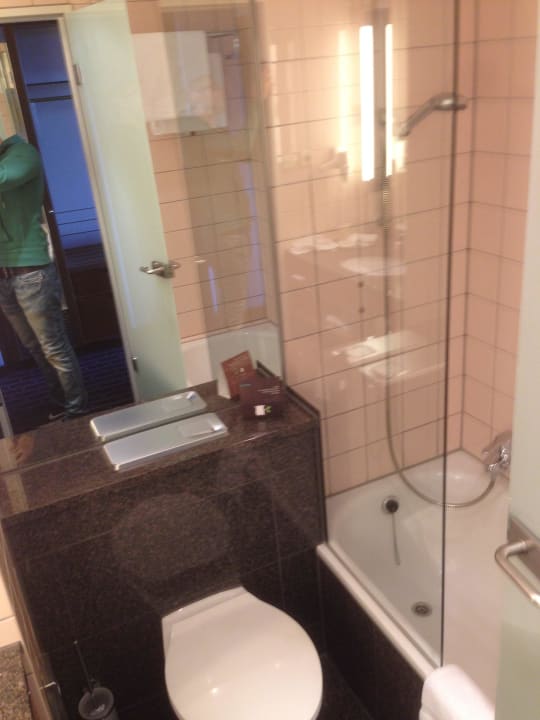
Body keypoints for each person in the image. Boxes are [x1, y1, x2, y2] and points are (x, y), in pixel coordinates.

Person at [0, 134, 87, 420]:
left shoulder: (22, 153)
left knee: (53, 347)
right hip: (3, 277)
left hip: (32, 273)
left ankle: (77, 410)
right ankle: (60, 402)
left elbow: (5, 177)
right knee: (34, 348)